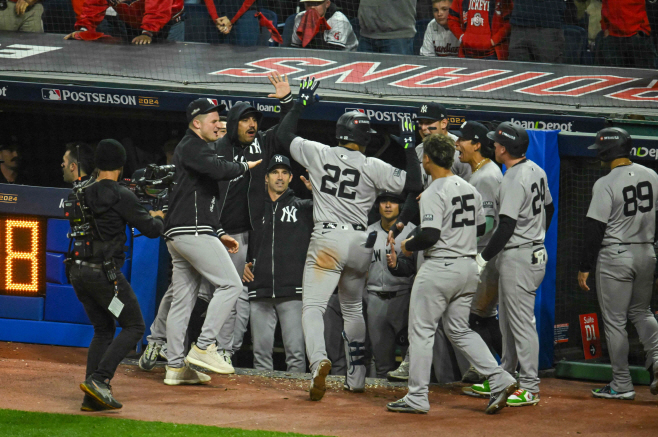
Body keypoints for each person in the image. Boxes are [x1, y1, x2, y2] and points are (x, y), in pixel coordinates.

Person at [276, 78, 423, 400]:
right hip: (361, 241)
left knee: (313, 306)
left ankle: (318, 363)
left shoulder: (319, 152)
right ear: (365, 139)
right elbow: (415, 182)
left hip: (327, 237)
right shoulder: (373, 165)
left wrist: (298, 105)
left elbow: (283, 135)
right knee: (353, 308)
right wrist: (410, 145)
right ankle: (356, 379)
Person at [386, 133, 517, 415]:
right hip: (468, 268)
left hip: (440, 268)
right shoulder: (469, 188)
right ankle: (499, 378)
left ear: (427, 159)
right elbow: (481, 228)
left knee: (421, 332)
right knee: (459, 329)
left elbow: (430, 235)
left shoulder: (434, 191)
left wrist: (408, 244)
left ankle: (417, 396)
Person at [161, 98, 261, 385]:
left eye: (221, 120)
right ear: (196, 123)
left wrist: (218, 232)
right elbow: (220, 171)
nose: (220, 125)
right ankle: (205, 346)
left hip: (185, 232)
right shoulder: (192, 145)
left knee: (182, 302)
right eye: (214, 120)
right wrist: (243, 167)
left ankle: (175, 367)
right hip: (191, 232)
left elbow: (203, 198)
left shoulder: (198, 149)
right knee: (231, 284)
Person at [69, 139, 166, 411]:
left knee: (103, 329)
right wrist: (157, 215)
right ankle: (100, 380)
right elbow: (151, 229)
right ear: (122, 165)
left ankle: (92, 396)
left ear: (97, 164)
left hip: (77, 272)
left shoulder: (80, 191)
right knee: (135, 326)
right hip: (104, 275)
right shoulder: (122, 194)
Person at [467, 122, 555, 407]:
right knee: (507, 321)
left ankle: (529, 387)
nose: (493, 146)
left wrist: (482, 258)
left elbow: (505, 226)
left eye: (496, 143)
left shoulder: (514, 177)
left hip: (520, 255)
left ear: (504, 148)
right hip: (527, 251)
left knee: (521, 323)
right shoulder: (536, 170)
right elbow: (549, 208)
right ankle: (506, 377)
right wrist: (537, 234)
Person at [214, 72, 294, 362]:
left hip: (248, 236)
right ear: (233, 123)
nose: (252, 124)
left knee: (238, 297)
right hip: (222, 233)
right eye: (246, 119)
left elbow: (286, 130)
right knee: (214, 295)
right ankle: (186, 345)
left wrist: (287, 102)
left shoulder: (262, 142)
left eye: (255, 120)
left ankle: (225, 351)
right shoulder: (218, 150)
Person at [577, 128, 658, 400]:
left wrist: (585, 266)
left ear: (606, 152)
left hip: (616, 255)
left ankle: (621, 384)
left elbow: (594, 228)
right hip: (647, 253)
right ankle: (657, 359)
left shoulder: (606, 182)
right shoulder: (652, 175)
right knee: (642, 312)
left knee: (615, 322)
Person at [242, 154, 311, 373]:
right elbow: (236, 238)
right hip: (259, 290)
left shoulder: (303, 207)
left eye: (284, 173)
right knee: (260, 355)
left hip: (292, 291)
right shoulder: (252, 208)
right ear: (266, 177)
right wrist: (240, 263)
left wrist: (314, 191)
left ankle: (294, 406)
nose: (279, 177)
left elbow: (333, 210)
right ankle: (264, 405)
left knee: (296, 354)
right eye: (274, 172)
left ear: (291, 178)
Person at [452, 121, 503, 383]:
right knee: (480, 317)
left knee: (477, 317)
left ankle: (502, 370)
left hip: (485, 256)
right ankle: (498, 369)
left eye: (462, 140)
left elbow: (490, 224)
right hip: (483, 255)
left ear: (477, 144)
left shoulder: (486, 176)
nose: (457, 144)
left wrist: (458, 240)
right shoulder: (478, 173)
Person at [366, 192, 416, 378]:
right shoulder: (368, 231)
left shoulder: (412, 231)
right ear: (377, 205)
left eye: (393, 202)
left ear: (401, 206)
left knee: (408, 362)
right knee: (381, 362)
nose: (388, 205)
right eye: (384, 201)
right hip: (374, 300)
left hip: (403, 299)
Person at [64, 0, 185, 44]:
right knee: (137, 65)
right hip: (132, 25)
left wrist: (147, 32)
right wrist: (83, 29)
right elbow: (94, 6)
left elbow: (158, 9)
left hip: (169, 25)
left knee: (169, 65)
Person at [599, 0, 657, 68]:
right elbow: (605, 6)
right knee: (613, 75)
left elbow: (653, 6)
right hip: (613, 37)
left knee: (645, 74)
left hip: (638, 37)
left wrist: (645, 30)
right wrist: (605, 28)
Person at [448, 0, 513, 60]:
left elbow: (509, 22)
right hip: (466, 53)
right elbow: (452, 19)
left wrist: (494, 40)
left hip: (493, 54)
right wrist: (461, 37)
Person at [291, 0, 358, 51]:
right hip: (311, 57)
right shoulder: (300, 17)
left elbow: (334, 52)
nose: (312, 7)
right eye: (308, 4)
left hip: (345, 58)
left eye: (316, 4)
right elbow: (295, 46)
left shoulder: (339, 20)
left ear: (327, 4)